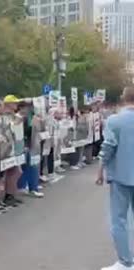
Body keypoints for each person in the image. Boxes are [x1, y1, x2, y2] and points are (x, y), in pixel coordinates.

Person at [97, 87, 134, 270]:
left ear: (123, 98)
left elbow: (109, 146)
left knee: (119, 219)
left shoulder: (115, 120)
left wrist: (100, 169)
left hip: (121, 174)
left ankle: (125, 262)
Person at [16, 101, 44, 198]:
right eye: (27, 107)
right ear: (21, 108)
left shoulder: (32, 118)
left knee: (33, 167)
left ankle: (33, 187)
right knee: (25, 168)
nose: (29, 109)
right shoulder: (17, 118)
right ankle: (23, 187)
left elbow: (38, 130)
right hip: (23, 146)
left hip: (32, 146)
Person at [1, 95, 24, 207]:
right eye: (14, 103)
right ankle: (7, 196)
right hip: (5, 148)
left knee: (16, 171)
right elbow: (6, 129)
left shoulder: (14, 116)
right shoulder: (3, 116)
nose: (16, 105)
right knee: (10, 172)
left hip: (14, 146)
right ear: (8, 104)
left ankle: (10, 194)